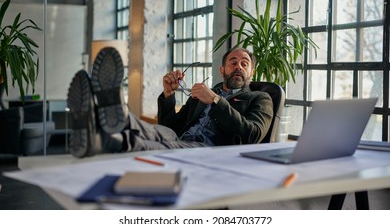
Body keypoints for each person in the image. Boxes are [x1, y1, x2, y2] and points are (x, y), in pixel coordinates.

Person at [67, 46, 273, 158]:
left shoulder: (259, 98)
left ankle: (100, 135)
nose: (238, 66)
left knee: (166, 145)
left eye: (244, 64)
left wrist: (216, 101)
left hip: (210, 148)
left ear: (251, 72)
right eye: (233, 62)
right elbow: (169, 125)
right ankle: (116, 115)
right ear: (222, 70)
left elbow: (252, 135)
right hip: (178, 136)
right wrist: (167, 95)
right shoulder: (204, 93)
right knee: (158, 132)